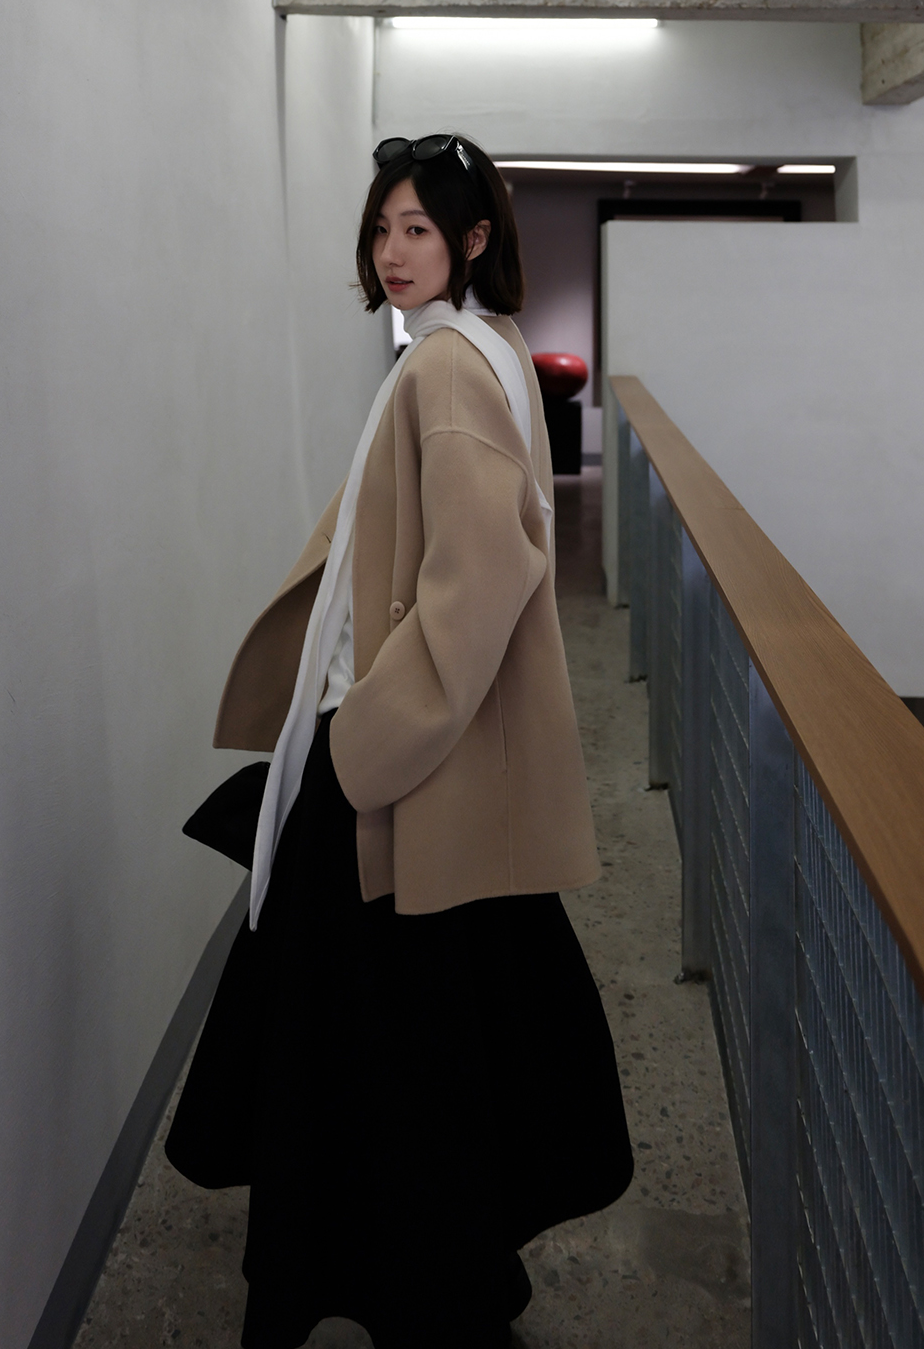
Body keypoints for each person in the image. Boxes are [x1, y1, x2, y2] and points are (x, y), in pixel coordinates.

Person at [165, 133, 633, 1349]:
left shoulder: (447, 370)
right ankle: (429, 1284)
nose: (392, 250)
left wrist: (355, 751)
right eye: (382, 228)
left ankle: (382, 1283)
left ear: (473, 239)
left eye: (418, 229)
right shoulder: (481, 349)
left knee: (357, 1049)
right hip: (427, 766)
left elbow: (480, 579)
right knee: (420, 1046)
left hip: (396, 771)